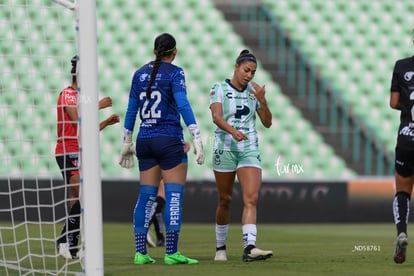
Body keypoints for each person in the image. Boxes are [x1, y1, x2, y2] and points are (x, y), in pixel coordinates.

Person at [119, 33, 204, 265]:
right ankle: (171, 253)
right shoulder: (176, 73)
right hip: (168, 139)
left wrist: (126, 141)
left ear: (155, 51)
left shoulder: (138, 74)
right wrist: (196, 134)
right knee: (174, 196)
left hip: (144, 140)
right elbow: (183, 103)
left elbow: (130, 110)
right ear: (174, 52)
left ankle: (140, 253)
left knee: (146, 196)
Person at [209, 49, 273, 262]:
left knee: (251, 198)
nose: (249, 75)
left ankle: (249, 247)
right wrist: (232, 131)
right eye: (246, 70)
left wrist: (262, 101)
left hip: (248, 148)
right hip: (225, 147)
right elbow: (216, 117)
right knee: (225, 199)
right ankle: (220, 248)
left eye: (253, 72)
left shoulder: (254, 92)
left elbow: (267, 122)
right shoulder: (218, 88)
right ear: (236, 67)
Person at [55, 55, 120, 259]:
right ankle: (66, 241)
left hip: (79, 151)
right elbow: (78, 120)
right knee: (80, 194)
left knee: (76, 197)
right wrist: (98, 106)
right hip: (66, 151)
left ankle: (68, 243)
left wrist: (107, 123)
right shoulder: (67, 94)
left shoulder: (82, 97)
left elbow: (87, 130)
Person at [389, 29, 414, 264]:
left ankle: (402, 233)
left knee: (403, 190)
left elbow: (394, 102)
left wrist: (408, 109)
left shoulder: (401, 66)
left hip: (407, 137)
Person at [146, 142, 191, 248]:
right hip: (164, 153)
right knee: (162, 196)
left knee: (157, 198)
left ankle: (160, 238)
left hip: (153, 149)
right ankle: (145, 228)